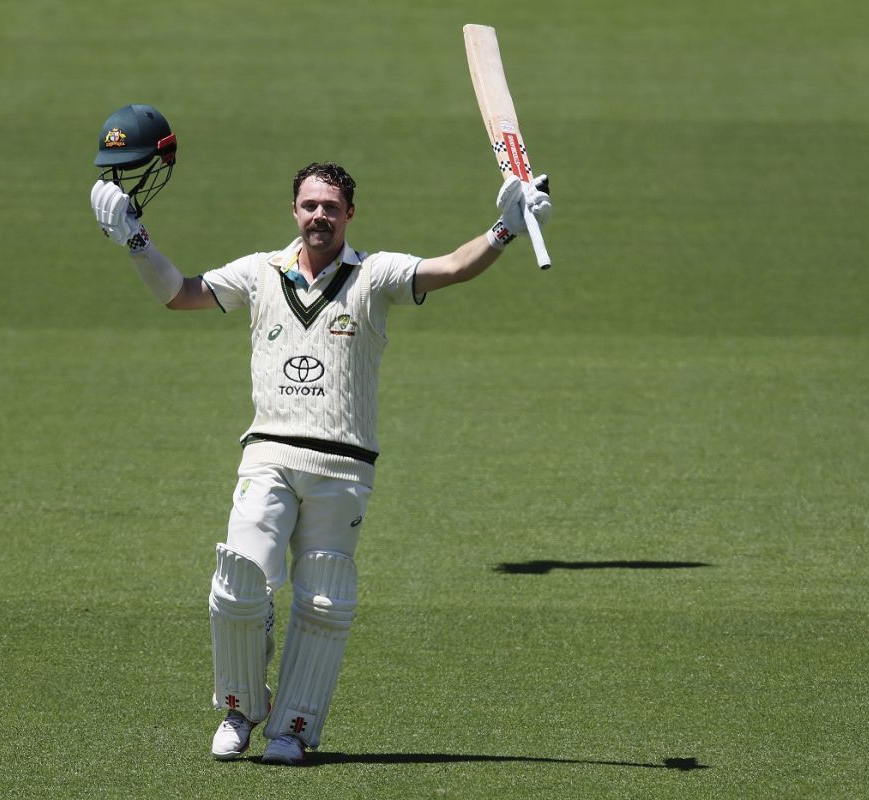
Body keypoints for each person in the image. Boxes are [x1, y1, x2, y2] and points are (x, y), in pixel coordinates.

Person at [89, 109, 551, 766]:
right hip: (270, 452)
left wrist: (506, 227)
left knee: (325, 598)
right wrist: (134, 241)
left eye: (330, 206)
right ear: (294, 210)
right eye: (309, 205)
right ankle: (241, 709)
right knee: (239, 579)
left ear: (350, 214)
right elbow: (179, 295)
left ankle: (295, 729)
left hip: (344, 465)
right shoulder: (259, 271)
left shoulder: (376, 275)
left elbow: (452, 268)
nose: (318, 216)